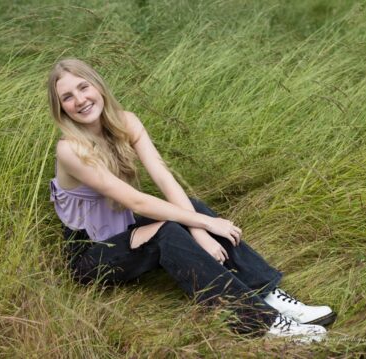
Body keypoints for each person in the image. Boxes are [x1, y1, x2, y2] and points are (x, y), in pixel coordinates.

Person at [46, 58, 337, 342]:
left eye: (84, 87)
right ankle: (257, 322)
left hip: (122, 225)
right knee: (168, 231)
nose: (80, 100)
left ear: (98, 86)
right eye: (67, 97)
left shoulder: (126, 122)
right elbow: (137, 202)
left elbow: (163, 178)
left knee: (192, 207)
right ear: (61, 109)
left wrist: (201, 232)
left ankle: (268, 294)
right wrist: (207, 224)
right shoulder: (70, 149)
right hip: (92, 253)